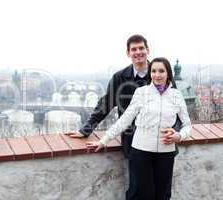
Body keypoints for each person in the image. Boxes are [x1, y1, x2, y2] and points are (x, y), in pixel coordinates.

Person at [67, 34, 180, 199]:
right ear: (128, 53)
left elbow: (175, 108)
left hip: (164, 144)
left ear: (148, 50)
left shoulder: (161, 73)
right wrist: (86, 129)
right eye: (134, 49)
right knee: (137, 192)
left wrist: (175, 131)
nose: (138, 52)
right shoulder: (120, 77)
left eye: (141, 48)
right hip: (135, 144)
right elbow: (105, 104)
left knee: (162, 193)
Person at [86, 57, 192, 200]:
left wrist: (179, 136)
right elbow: (125, 120)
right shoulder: (141, 93)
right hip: (141, 152)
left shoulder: (176, 95)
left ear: (168, 74)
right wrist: (104, 140)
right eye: (153, 71)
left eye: (161, 71)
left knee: (163, 195)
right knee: (141, 194)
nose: (157, 75)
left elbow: (187, 125)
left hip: (166, 153)